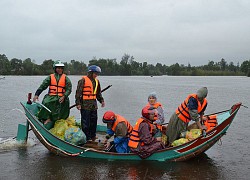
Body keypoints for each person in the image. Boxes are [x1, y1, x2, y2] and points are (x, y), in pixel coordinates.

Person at [33, 60, 72, 128]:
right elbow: (43, 86)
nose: (60, 69)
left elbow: (69, 89)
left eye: (61, 68)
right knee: (47, 102)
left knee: (64, 103)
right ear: (55, 68)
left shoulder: (66, 78)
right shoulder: (50, 77)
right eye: (58, 68)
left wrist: (64, 96)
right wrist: (37, 95)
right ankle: (47, 118)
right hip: (51, 96)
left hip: (62, 96)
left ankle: (60, 119)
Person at [75, 65, 105, 142]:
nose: (96, 75)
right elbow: (78, 93)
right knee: (85, 122)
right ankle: (86, 137)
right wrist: (78, 103)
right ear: (90, 72)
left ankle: (93, 136)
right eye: (95, 73)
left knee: (94, 121)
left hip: (93, 105)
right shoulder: (83, 80)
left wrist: (101, 100)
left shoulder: (97, 81)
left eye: (97, 74)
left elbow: (98, 93)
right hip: (85, 105)